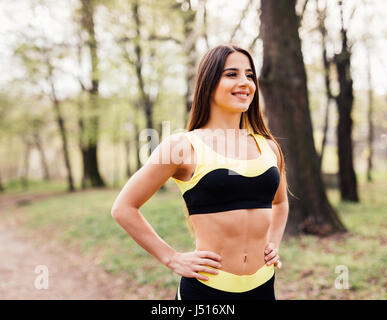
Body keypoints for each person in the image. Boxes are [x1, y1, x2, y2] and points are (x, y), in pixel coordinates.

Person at [111, 44, 289, 300]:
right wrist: (171, 258)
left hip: (263, 287)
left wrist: (273, 242)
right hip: (206, 292)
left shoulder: (268, 146)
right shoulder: (183, 146)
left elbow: (280, 203)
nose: (245, 82)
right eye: (232, 74)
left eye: (249, 75)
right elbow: (124, 207)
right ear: (208, 83)